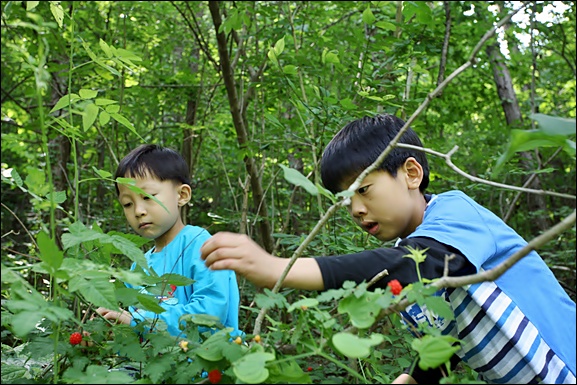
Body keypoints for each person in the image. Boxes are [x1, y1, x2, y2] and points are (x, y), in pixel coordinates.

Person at [200, 114, 576, 384]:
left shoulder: (456, 216)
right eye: (346, 199)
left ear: (411, 174)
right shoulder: (407, 255)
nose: (356, 209)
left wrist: (278, 268)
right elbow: (447, 340)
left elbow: (415, 265)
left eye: (363, 189)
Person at [95, 144, 241, 339]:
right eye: (128, 204)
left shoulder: (201, 246)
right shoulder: (138, 266)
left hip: (207, 363)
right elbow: (134, 330)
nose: (138, 211)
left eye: (148, 197)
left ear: (182, 195)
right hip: (151, 367)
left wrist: (140, 322)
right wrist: (107, 329)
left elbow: (210, 314)